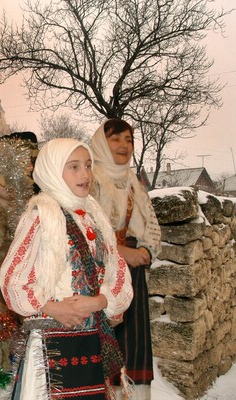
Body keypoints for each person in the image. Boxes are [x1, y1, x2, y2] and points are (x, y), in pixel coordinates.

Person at [0, 138, 134, 399]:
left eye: (87, 165)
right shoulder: (40, 216)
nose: (85, 174)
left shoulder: (95, 217)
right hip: (52, 343)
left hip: (91, 340)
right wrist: (50, 307)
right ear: (52, 170)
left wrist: (99, 302)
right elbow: (12, 279)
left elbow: (119, 274)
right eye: (73, 167)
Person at [90, 119, 162, 400]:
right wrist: (123, 253)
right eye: (115, 139)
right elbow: (90, 231)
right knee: (107, 344)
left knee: (134, 347)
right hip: (101, 275)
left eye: (129, 140)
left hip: (134, 277)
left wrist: (146, 251)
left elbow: (151, 226)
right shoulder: (90, 179)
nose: (124, 145)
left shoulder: (133, 182)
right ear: (100, 143)